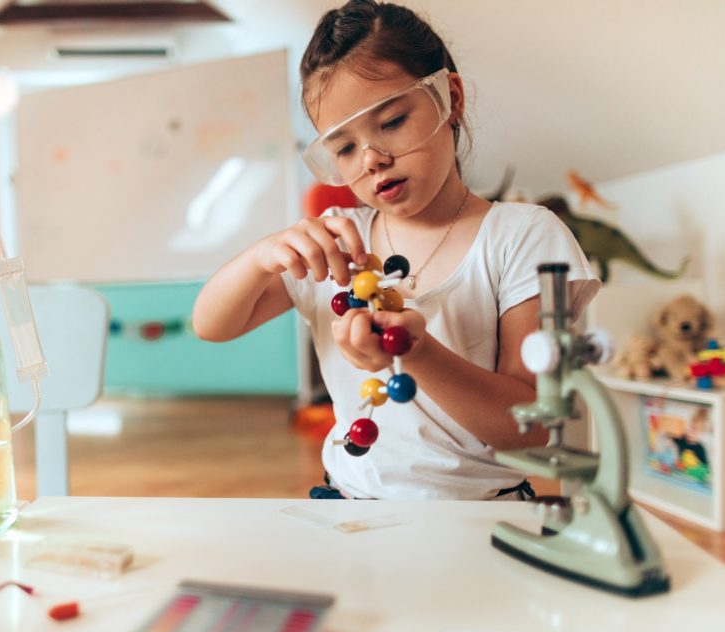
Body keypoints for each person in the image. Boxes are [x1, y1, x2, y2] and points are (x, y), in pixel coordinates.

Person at [192, 0, 601, 500]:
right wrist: (260, 256)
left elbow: (533, 428)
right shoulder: (338, 242)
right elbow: (212, 325)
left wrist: (417, 353)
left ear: (450, 98)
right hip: (349, 507)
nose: (373, 159)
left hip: (483, 518)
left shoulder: (521, 235)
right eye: (343, 148)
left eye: (391, 122)